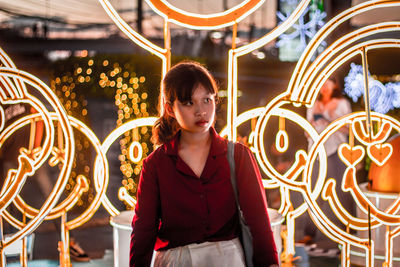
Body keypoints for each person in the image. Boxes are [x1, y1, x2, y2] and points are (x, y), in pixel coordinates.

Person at [130, 61, 279, 267]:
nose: (201, 111)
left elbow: (259, 221)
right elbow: (144, 230)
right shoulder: (156, 164)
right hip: (177, 261)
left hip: (228, 260)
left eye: (207, 100)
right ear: (169, 108)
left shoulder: (238, 155)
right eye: (189, 103)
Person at [299, 76, 353, 245]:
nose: (324, 86)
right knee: (313, 192)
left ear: (334, 84)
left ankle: (349, 230)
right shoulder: (312, 104)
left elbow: (349, 130)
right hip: (316, 153)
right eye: (321, 83)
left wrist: (330, 119)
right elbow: (307, 132)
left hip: (336, 151)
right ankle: (310, 232)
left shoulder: (342, 103)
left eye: (327, 83)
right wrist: (315, 123)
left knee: (342, 192)